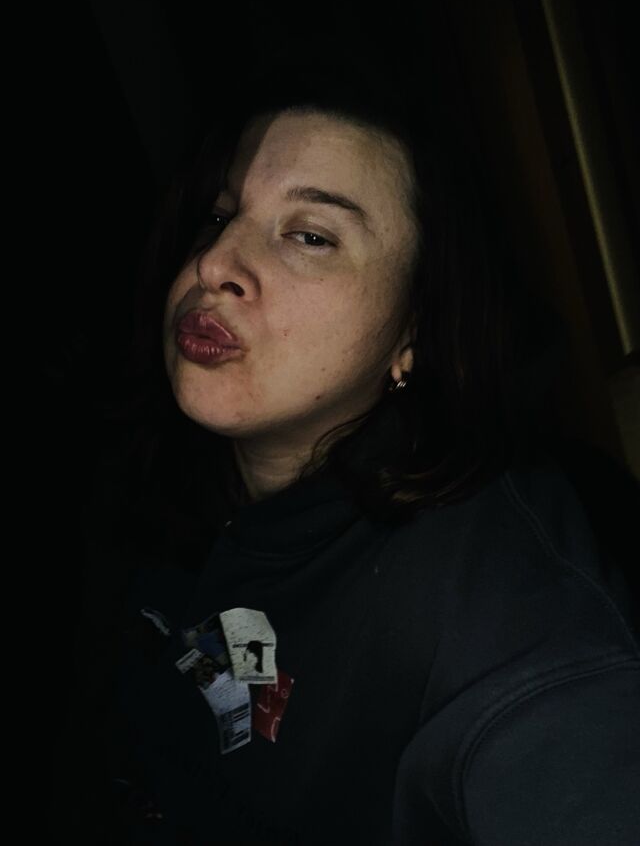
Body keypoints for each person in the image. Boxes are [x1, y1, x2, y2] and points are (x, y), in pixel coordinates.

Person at [48, 51, 640, 845]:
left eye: (310, 236)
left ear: (414, 329)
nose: (214, 264)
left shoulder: (508, 631)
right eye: (220, 216)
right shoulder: (141, 467)